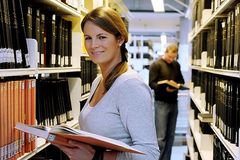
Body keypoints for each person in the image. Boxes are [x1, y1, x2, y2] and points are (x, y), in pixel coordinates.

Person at [53, 6, 160, 160]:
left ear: (120, 39)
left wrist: (97, 156)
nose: (93, 45)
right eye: (88, 38)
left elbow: (150, 154)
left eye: (102, 37)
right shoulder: (99, 81)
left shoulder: (130, 86)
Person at [149, 43, 185, 160]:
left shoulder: (176, 65)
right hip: (161, 104)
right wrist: (164, 87)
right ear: (165, 53)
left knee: (170, 136)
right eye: (169, 57)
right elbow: (152, 83)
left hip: (174, 102)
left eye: (173, 57)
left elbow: (181, 80)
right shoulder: (156, 65)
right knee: (161, 137)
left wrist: (176, 85)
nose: (171, 60)